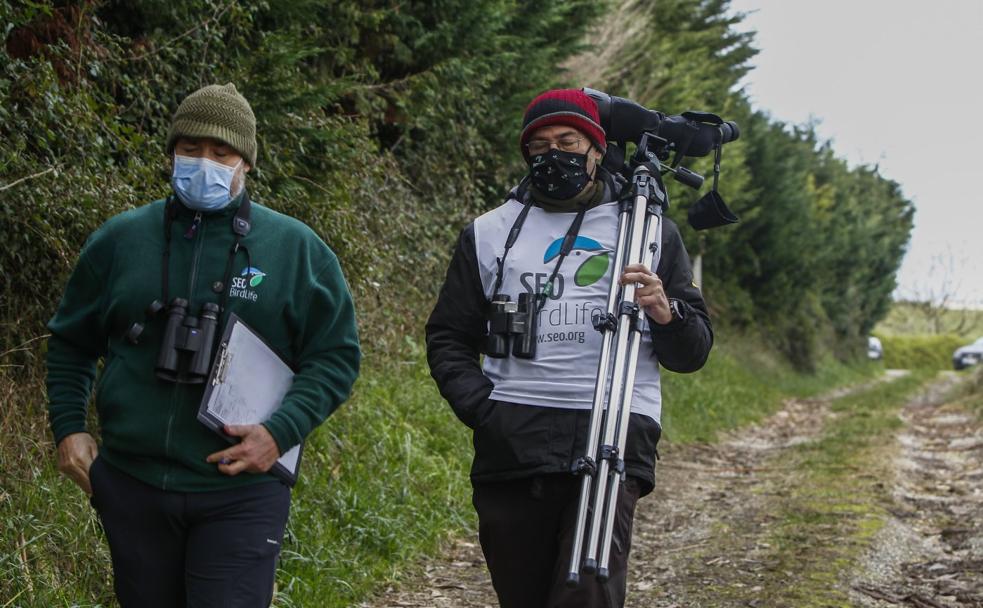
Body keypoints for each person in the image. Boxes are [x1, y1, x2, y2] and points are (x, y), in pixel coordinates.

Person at [46, 83, 361, 607]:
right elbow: (71, 341)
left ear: (246, 163)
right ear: (171, 151)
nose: (203, 162)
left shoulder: (295, 249)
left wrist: (280, 433)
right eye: (190, 147)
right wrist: (69, 428)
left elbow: (335, 356)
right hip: (131, 483)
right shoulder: (121, 239)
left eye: (221, 152)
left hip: (242, 489)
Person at [425, 89, 713, 607]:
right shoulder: (489, 233)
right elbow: (449, 335)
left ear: (596, 150)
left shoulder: (647, 231)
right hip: (513, 437)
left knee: (588, 588)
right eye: (538, 146)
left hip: (613, 428)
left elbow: (692, 353)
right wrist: (483, 410)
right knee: (524, 593)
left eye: (567, 140)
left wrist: (666, 313)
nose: (552, 154)